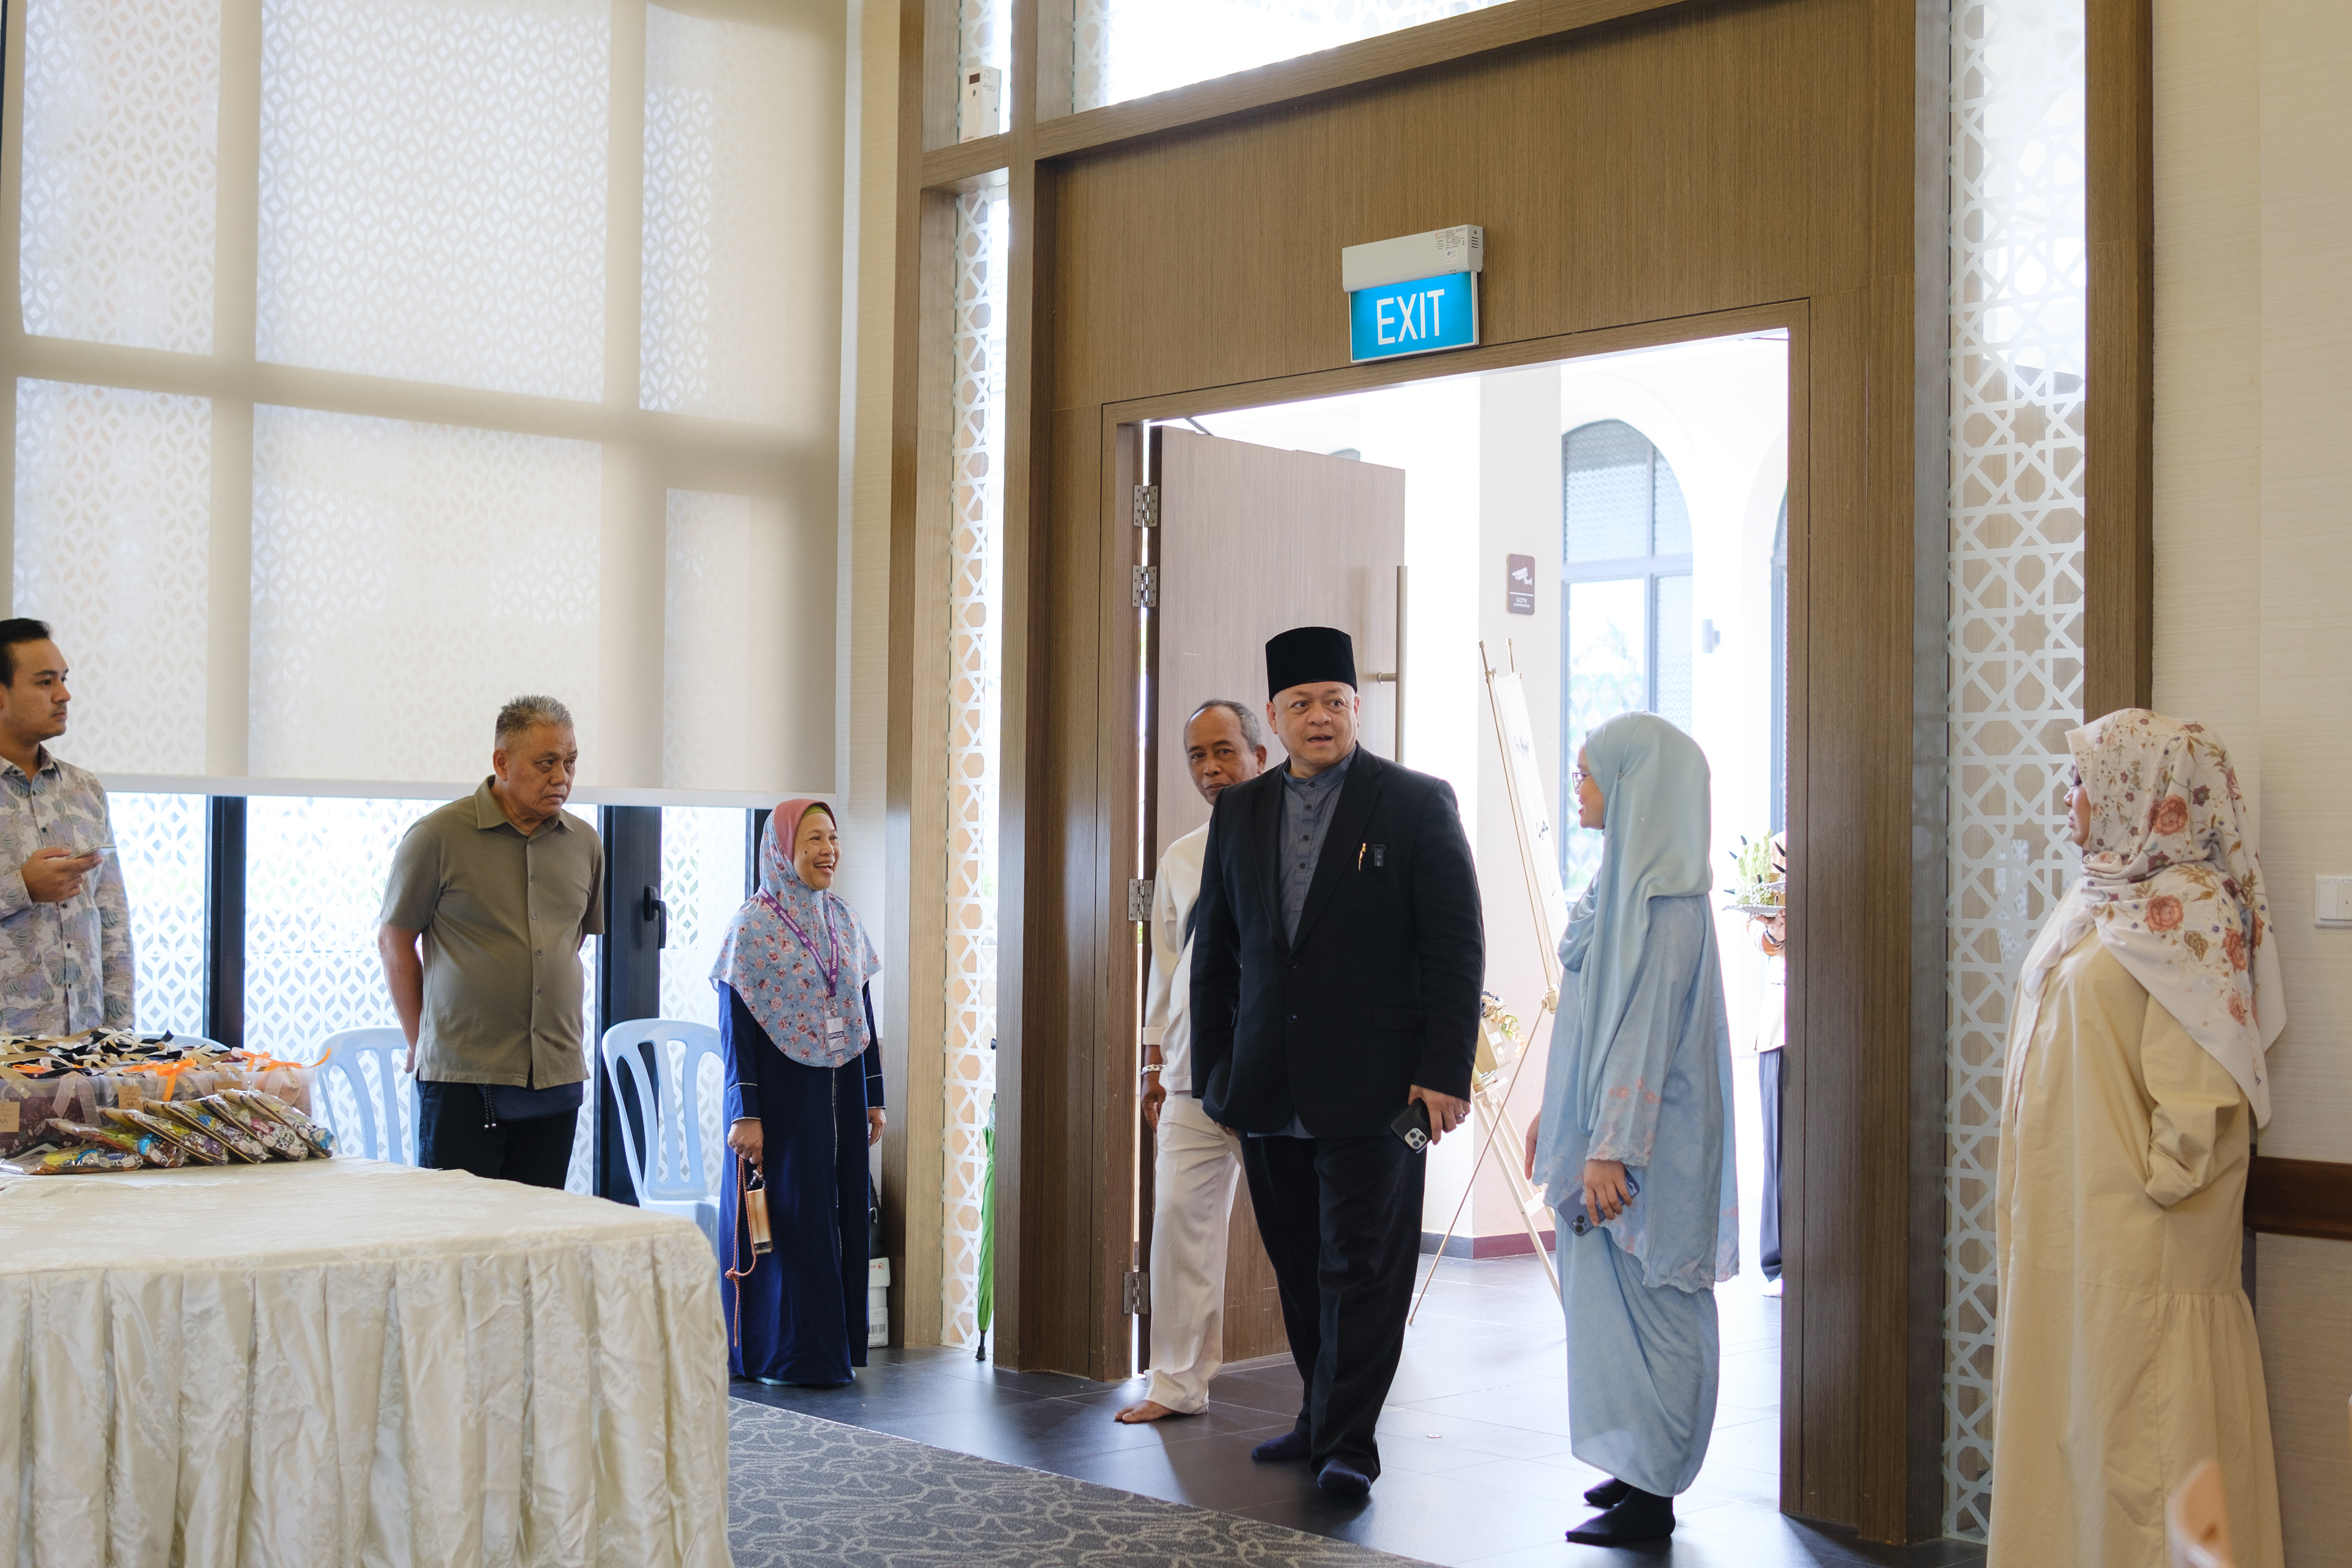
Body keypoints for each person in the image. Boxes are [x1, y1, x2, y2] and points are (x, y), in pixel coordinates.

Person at [1189, 625, 1483, 1500]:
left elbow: (1456, 947)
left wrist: (1446, 1073)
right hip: (1266, 1085)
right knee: (1298, 1263)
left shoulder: (1416, 802)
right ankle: (1320, 1416)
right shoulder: (1240, 811)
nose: (1319, 717)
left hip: (1383, 1091)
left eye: (1334, 702)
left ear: (1358, 706)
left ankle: (1351, 1441)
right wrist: (1216, 1076)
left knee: (1363, 1266)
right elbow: (1218, 956)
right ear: (1274, 715)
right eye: (1301, 704)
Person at [1988, 710, 2284, 1568]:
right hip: (2071, 1222)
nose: (2068, 794)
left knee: (2142, 1446)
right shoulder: (2097, 899)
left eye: (2085, 777)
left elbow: (2200, 1089)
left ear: (2146, 792)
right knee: (2076, 1436)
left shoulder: (2190, 911)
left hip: (2138, 1236)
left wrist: (2150, 1192)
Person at [1524, 712, 1738, 1547]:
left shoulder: (1665, 906)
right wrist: (1558, 1118)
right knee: (1608, 1305)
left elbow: (1642, 1036)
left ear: (1633, 785)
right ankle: (1635, 1459)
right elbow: (1589, 1027)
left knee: (1659, 1306)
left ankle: (1658, 1489)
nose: (1578, 788)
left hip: (1647, 1147)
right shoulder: (1616, 890)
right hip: (1602, 1135)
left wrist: (1610, 1148)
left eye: (1589, 774)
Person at [1116, 698, 1268, 1425]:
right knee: (1176, 1219)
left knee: (1301, 1233)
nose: (1211, 769)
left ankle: (1329, 1394)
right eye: (1197, 757)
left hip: (1269, 1073)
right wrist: (1153, 1061)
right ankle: (1176, 1382)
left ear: (1259, 755)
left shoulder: (1291, 844)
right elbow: (1166, 965)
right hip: (1188, 1075)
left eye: (1224, 751)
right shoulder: (1180, 856)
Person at [378, 695, 603, 1186]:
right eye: (546, 763)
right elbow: (395, 942)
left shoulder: (585, 843)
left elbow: (569, 943)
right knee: (460, 1227)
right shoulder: (437, 837)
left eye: (570, 762)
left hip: (556, 1077)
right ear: (502, 762)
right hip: (463, 1081)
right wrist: (421, 1042)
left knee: (538, 1226)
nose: (562, 777)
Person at [718, 799, 886, 1385]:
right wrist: (745, 1113)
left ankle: (830, 1352)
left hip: (841, 1094)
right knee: (787, 1219)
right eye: (814, 839)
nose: (828, 850)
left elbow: (862, 1013)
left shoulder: (844, 920)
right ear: (782, 849)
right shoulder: (750, 928)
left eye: (833, 838)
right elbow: (735, 1031)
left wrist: (873, 1094)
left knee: (840, 1214)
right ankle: (779, 1355)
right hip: (779, 1103)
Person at [0, 619, 132, 1037]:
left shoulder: (84, 789)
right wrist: (22, 887)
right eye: (45, 682)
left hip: (85, 1048)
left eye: (63, 679)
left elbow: (112, 921)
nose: (64, 694)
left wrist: (120, 1039)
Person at [1749, 831, 1787, 1295]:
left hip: (1831, 1025)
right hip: (1779, 1027)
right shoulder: (1775, 848)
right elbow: (1754, 931)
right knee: (1779, 1152)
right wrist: (1776, 930)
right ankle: (1779, 1263)